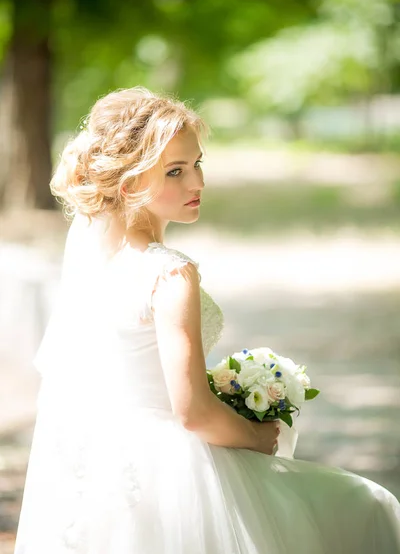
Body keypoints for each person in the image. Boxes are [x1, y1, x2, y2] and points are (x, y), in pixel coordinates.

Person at [14, 87, 400, 554]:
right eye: (174, 171)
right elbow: (193, 411)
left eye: (197, 164)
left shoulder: (101, 267)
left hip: (96, 475)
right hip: (176, 477)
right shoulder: (170, 273)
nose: (196, 183)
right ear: (129, 182)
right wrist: (257, 436)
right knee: (367, 504)